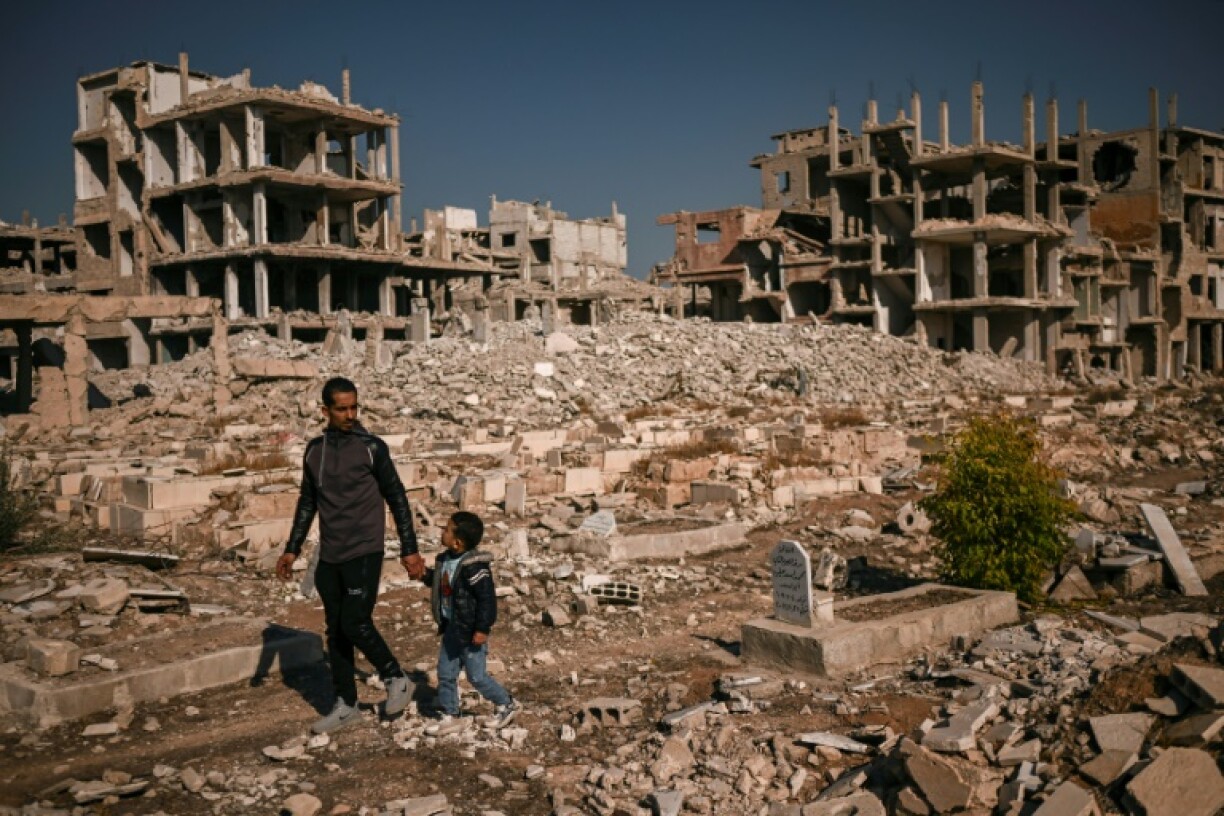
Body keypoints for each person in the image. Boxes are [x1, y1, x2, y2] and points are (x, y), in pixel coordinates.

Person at [276, 376, 426, 734]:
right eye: (341, 409)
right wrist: (292, 548)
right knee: (336, 632)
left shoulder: (372, 448)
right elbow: (307, 502)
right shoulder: (315, 451)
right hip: (330, 554)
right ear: (325, 411)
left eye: (354, 407)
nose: (349, 414)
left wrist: (409, 549)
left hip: (365, 550)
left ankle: (396, 677)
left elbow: (397, 497)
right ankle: (346, 705)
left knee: (355, 621)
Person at [423, 511, 517, 727]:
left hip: (470, 631)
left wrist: (482, 628)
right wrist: (423, 575)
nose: (442, 532)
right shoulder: (445, 559)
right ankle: (451, 714)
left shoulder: (474, 566)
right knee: (445, 673)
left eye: (446, 529)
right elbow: (443, 586)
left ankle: (506, 703)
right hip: (451, 629)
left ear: (457, 542)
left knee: (476, 677)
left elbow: (487, 599)